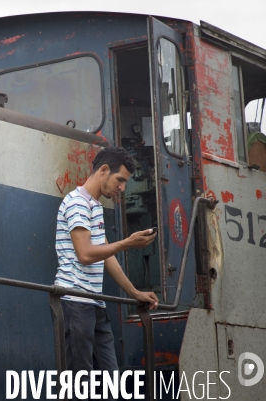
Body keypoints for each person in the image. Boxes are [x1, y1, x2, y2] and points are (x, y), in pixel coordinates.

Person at [55, 147, 159, 386]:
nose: (122, 188)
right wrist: (127, 243)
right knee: (78, 386)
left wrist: (134, 293)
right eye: (120, 180)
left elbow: (106, 256)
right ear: (103, 170)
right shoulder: (77, 203)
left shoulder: (94, 206)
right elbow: (85, 254)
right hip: (75, 301)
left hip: (94, 305)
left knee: (112, 385)